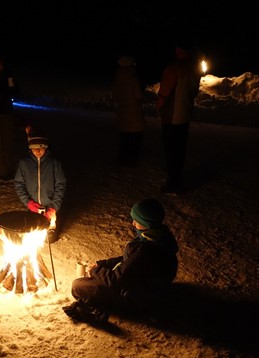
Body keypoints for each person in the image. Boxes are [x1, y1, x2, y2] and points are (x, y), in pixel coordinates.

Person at [62, 198, 178, 324]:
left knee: (78, 286)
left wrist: (95, 270)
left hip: (138, 298)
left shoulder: (146, 250)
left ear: (147, 223)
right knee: (97, 278)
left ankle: (98, 310)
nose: (133, 223)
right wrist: (103, 264)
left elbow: (117, 280)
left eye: (136, 221)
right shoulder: (158, 236)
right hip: (146, 287)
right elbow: (129, 260)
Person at [156, 42, 201, 194]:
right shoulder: (194, 69)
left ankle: (173, 182)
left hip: (172, 116)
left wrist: (159, 106)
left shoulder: (173, 68)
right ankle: (178, 178)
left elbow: (164, 92)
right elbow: (194, 91)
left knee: (171, 149)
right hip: (185, 114)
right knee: (180, 148)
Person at [14, 126, 67, 242]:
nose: (38, 151)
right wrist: (28, 203)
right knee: (29, 239)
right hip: (32, 209)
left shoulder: (54, 163)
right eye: (34, 148)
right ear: (30, 148)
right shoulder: (24, 163)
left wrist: (54, 207)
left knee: (48, 240)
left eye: (41, 147)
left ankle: (52, 225)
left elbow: (61, 185)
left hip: (50, 208)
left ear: (46, 147)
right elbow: (19, 184)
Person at [111, 55, 148, 166]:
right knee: (135, 137)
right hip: (134, 112)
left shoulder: (117, 78)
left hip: (123, 111)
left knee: (124, 137)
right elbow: (138, 95)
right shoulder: (133, 78)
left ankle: (123, 159)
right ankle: (132, 159)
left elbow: (115, 96)